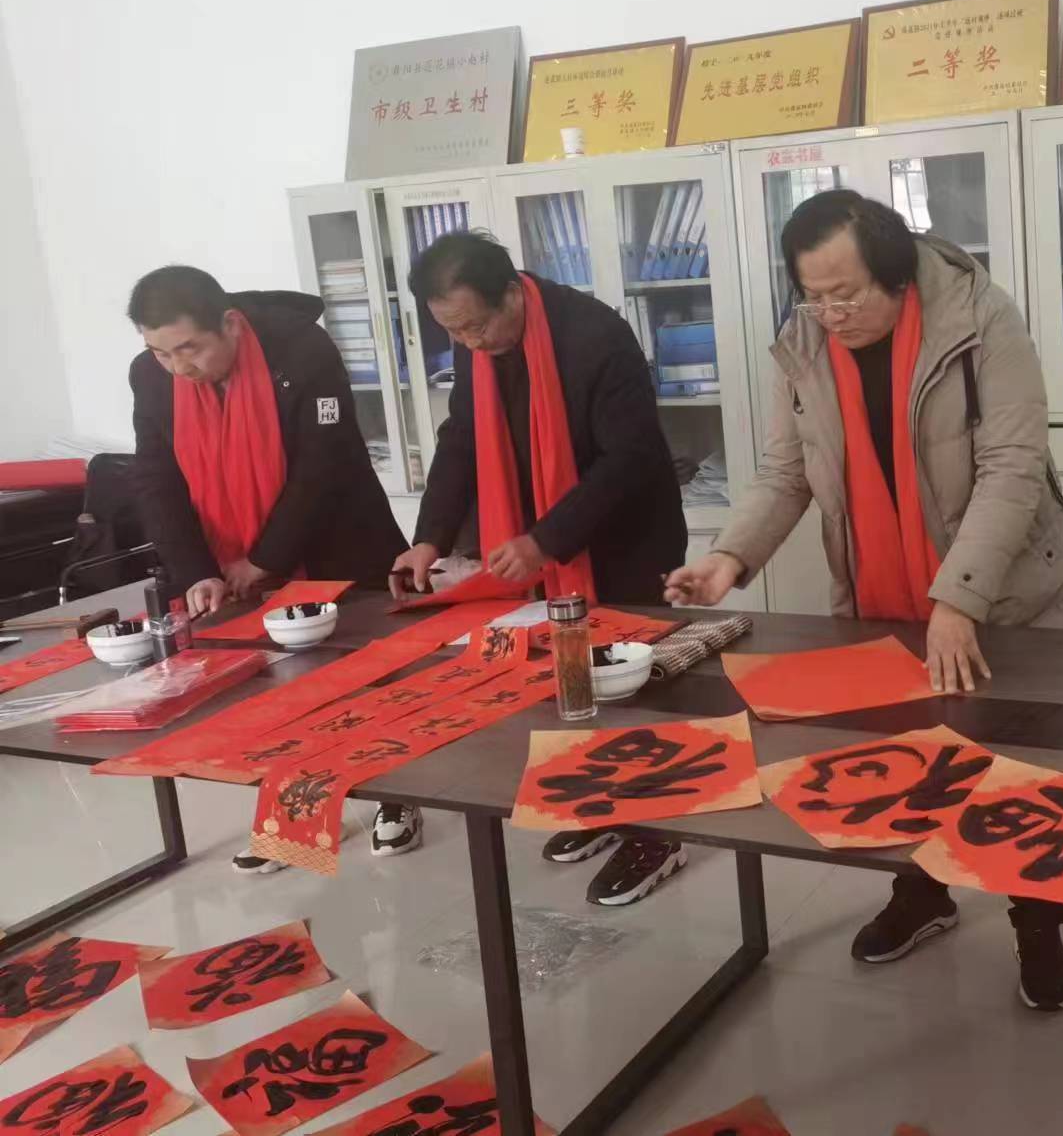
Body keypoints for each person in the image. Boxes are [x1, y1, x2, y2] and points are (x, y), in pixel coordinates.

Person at [666, 190, 1063, 1011]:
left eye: (847, 294)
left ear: (897, 276)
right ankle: (923, 891)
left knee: (1017, 772)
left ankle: (1037, 919)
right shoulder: (803, 345)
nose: (831, 314)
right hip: (882, 595)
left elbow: (1012, 466)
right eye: (814, 296)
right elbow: (786, 471)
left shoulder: (981, 319)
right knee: (906, 760)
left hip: (1009, 595)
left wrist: (958, 598)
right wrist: (729, 556)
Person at [390, 231, 689, 907]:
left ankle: (659, 831)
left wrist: (546, 539)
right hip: (543, 544)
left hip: (624, 541)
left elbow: (630, 459)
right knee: (568, 684)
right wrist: (429, 538)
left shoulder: (596, 336)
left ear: (510, 294)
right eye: (452, 332)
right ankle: (604, 805)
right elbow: (461, 438)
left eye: (475, 326)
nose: (467, 343)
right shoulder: (477, 342)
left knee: (633, 689)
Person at [127, 266, 413, 869]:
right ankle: (294, 817)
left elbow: (323, 464)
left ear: (230, 324)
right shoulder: (150, 378)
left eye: (189, 348)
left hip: (336, 539)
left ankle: (397, 797)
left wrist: (265, 559)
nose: (178, 367)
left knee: (363, 673)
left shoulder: (302, 348)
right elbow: (156, 478)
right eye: (160, 352)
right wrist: (197, 570)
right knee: (276, 683)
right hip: (230, 555)